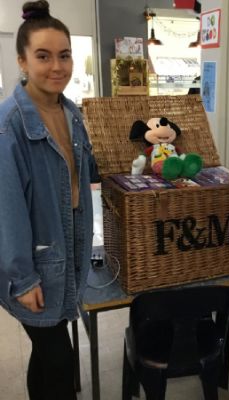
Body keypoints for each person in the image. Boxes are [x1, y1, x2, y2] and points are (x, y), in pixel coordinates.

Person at [0, 1, 99, 399]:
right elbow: (6, 210)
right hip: (34, 263)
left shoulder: (71, 113)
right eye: (43, 56)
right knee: (60, 362)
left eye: (64, 55)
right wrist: (23, 279)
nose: (57, 67)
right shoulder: (9, 124)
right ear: (22, 61)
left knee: (46, 356)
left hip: (67, 253)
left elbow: (79, 178)